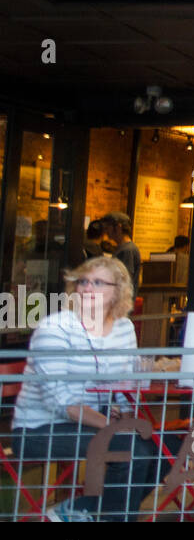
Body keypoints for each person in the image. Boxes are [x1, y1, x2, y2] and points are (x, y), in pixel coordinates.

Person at [11, 256, 176, 522]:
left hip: (93, 424)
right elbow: (59, 402)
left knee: (168, 443)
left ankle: (82, 509)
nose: (87, 288)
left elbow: (126, 385)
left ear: (118, 291)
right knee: (129, 447)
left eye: (98, 282)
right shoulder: (55, 327)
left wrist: (122, 415)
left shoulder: (124, 327)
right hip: (38, 430)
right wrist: (111, 424)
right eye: (83, 281)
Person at [101, 213, 142, 280]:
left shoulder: (127, 250)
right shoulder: (123, 248)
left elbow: (124, 279)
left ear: (118, 227)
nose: (106, 231)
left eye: (107, 228)